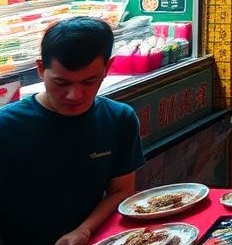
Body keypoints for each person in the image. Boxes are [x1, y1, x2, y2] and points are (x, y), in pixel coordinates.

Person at [0, 18, 143, 245]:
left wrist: (83, 231)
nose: (75, 95)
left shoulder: (119, 119)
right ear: (40, 69)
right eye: (61, 83)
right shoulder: (6, 126)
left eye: (89, 82)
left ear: (108, 68)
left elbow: (121, 191)